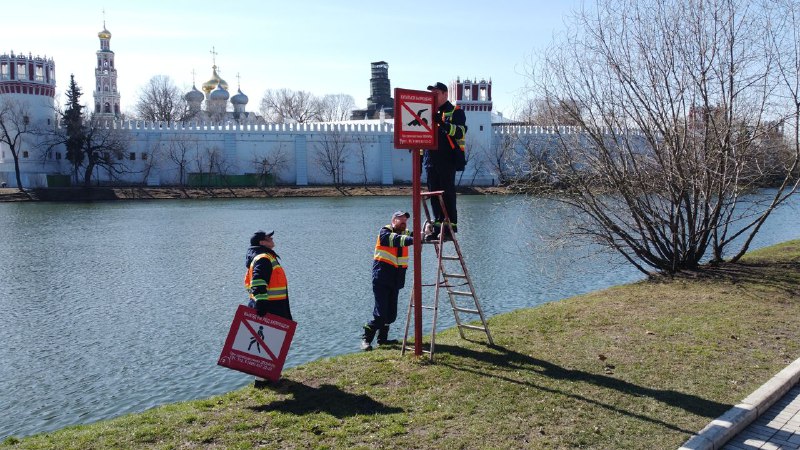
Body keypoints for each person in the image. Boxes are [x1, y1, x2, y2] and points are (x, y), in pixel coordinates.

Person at [244, 229, 292, 388]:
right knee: (267, 342)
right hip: (269, 307)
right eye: (268, 237)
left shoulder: (265, 256)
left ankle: (268, 377)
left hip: (272, 305)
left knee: (269, 342)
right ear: (261, 243)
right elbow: (257, 282)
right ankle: (263, 380)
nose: (271, 239)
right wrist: (262, 303)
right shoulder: (263, 258)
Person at [361, 211, 414, 350]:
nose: (404, 222)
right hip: (382, 278)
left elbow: (416, 236)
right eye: (400, 219)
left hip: (396, 279)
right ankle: (366, 340)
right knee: (380, 314)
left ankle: (382, 340)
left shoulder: (405, 233)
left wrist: (427, 232)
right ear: (393, 220)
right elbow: (394, 240)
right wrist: (414, 239)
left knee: (391, 315)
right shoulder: (385, 232)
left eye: (405, 220)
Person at [424, 81, 467, 241]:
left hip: (447, 158)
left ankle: (450, 227)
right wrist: (420, 157)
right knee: (433, 193)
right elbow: (424, 136)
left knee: (447, 192)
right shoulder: (428, 111)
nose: (433, 97)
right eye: (431, 94)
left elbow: (460, 132)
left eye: (436, 94)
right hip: (430, 159)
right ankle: (437, 226)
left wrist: (442, 123)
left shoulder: (455, 111)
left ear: (445, 94)